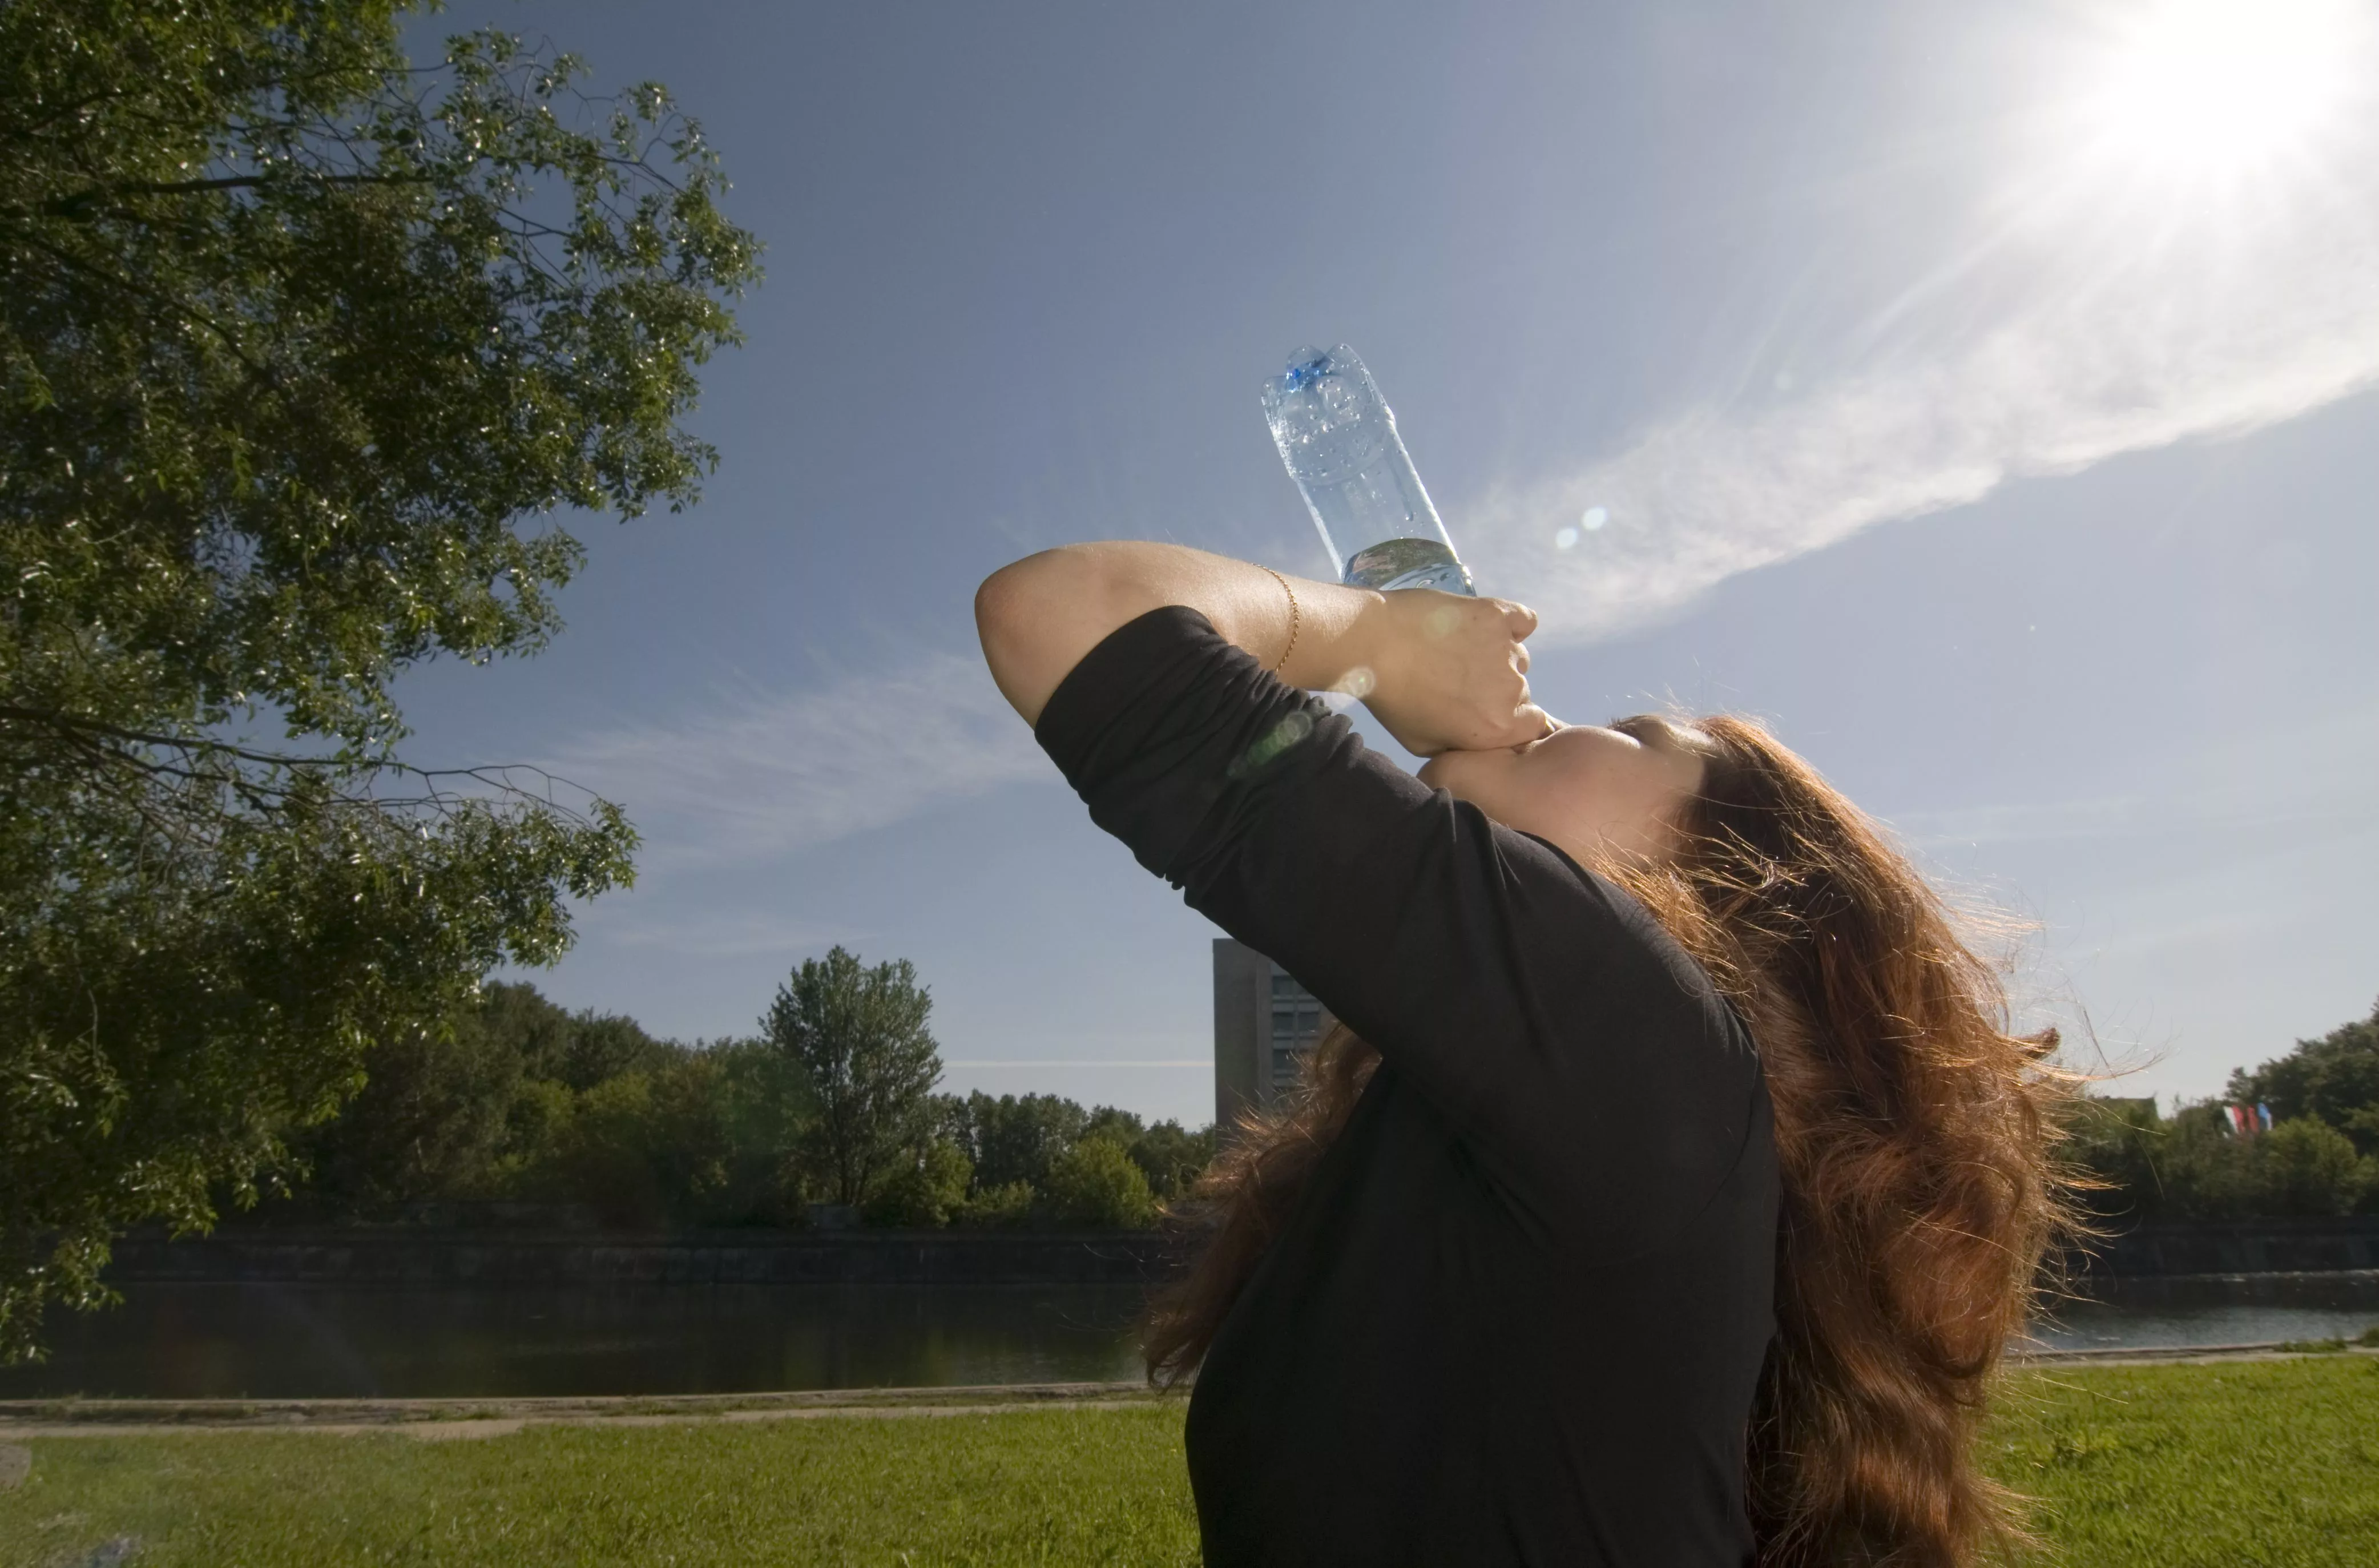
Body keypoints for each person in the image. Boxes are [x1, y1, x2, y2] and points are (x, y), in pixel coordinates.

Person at [975, 541, 2076, 1567]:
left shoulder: (1647, 1034)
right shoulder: (1546, 1121)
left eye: (1633, 730)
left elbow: (1069, 614)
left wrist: (1383, 640)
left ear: (1725, 877)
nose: (1548, 717)